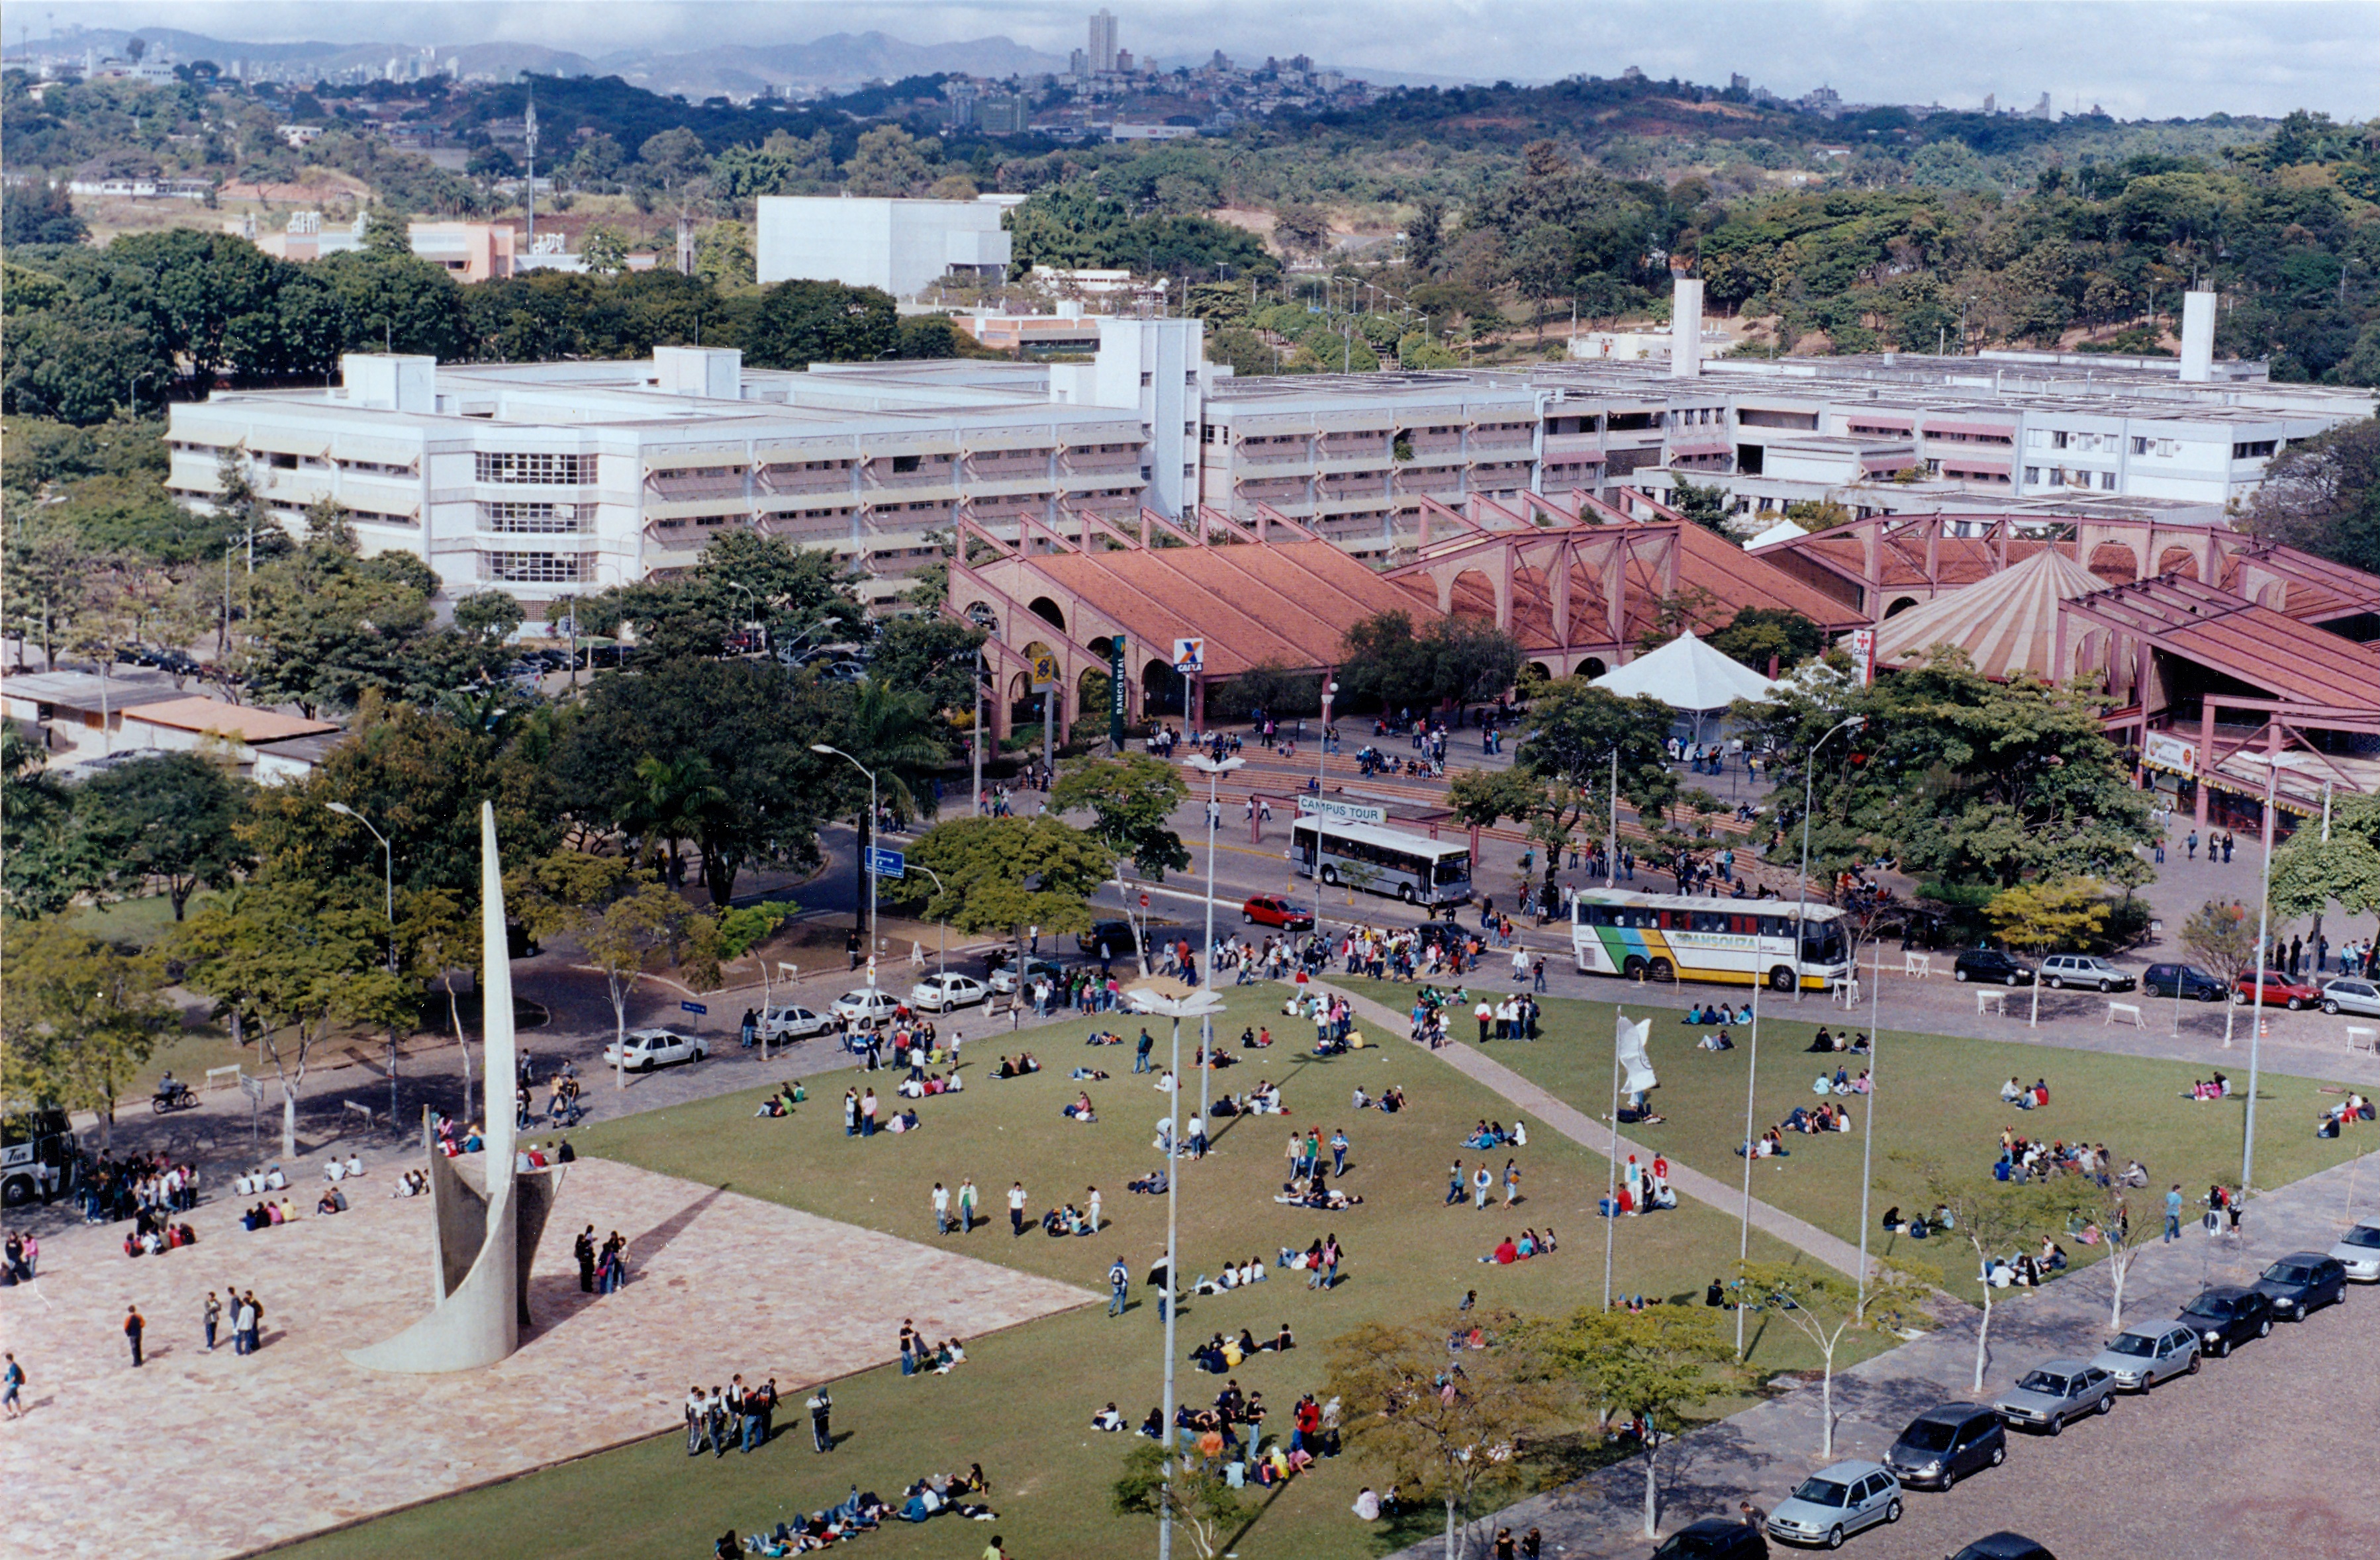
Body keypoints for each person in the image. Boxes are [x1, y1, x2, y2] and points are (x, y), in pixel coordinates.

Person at [808, 1387, 833, 1452]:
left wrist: (813, 1398)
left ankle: (819, 1449)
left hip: (817, 1419)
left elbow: (808, 1405)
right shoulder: (829, 1399)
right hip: (825, 1418)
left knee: (817, 1434)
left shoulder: (817, 1402)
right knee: (826, 1432)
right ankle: (829, 1447)